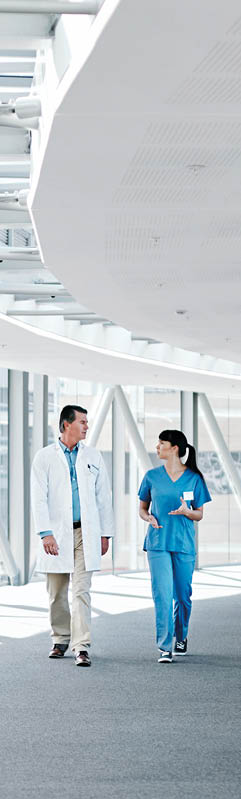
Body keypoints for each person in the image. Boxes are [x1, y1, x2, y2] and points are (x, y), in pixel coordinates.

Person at [31, 404, 114, 667]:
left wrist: (105, 533)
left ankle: (82, 646)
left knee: (81, 591)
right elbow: (38, 498)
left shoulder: (93, 456)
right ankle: (60, 639)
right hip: (56, 534)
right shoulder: (44, 457)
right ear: (67, 424)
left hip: (85, 533)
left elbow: (103, 497)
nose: (87, 426)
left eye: (87, 422)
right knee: (56, 592)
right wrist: (46, 533)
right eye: (82, 422)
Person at [138, 429, 211, 663]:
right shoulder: (151, 476)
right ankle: (165, 646)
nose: (157, 447)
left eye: (161, 443)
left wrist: (187, 511)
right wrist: (148, 517)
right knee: (162, 594)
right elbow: (142, 508)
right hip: (158, 542)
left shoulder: (194, 478)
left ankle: (181, 636)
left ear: (174, 448)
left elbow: (199, 514)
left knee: (182, 596)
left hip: (183, 543)